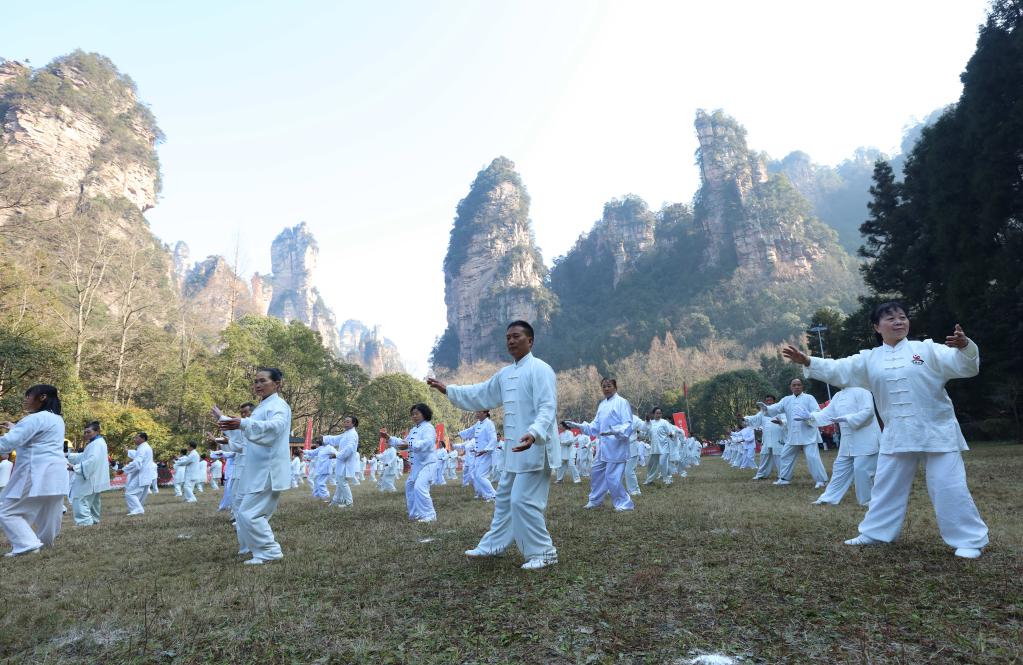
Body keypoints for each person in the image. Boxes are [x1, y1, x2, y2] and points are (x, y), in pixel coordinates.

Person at [784, 302, 988, 558]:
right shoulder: (870, 359)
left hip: (937, 430)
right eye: (890, 318)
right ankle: (876, 532)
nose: (898, 322)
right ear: (877, 327)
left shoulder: (926, 349)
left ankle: (969, 540)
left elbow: (965, 366)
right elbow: (839, 369)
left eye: (902, 317)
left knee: (948, 485)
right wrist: (808, 361)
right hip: (896, 432)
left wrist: (965, 346)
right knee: (885, 486)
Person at [428, 320, 561, 570]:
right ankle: (493, 545)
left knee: (523, 502)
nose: (511, 341)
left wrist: (534, 433)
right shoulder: (505, 374)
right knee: (504, 500)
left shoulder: (541, 369)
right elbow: (481, 393)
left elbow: (547, 407)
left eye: (516, 336)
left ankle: (544, 553)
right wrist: (449, 390)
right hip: (513, 451)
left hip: (534, 448)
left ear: (530, 340)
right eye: (508, 337)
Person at [216, 367, 293, 565]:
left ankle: (270, 551)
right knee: (246, 512)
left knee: (250, 513)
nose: (258, 385)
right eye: (256, 381)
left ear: (277, 384)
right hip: (258, 469)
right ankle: (254, 548)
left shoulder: (278, 406)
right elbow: (246, 436)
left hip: (268, 469)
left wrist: (243, 423)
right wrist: (225, 420)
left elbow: (275, 427)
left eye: (263, 381)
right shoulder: (263, 407)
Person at [0, 385, 70, 557]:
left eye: (28, 396)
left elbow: (8, 443)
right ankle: (45, 545)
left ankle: (28, 545)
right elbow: (38, 437)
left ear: (42, 397)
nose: (26, 400)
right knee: (49, 514)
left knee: (8, 512)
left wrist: (16, 429)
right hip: (57, 472)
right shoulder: (57, 419)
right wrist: (16, 427)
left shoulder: (34, 418)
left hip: (37, 471)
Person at [567, 378, 635, 512]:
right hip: (603, 446)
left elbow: (628, 424)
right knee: (596, 473)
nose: (606, 389)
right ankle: (595, 500)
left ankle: (624, 504)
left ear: (615, 387)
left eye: (609, 386)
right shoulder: (602, 404)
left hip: (616, 446)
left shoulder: (622, 402)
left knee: (613, 477)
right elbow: (595, 425)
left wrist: (616, 431)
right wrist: (580, 426)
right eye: (604, 386)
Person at [758, 379, 829, 488]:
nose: (796, 387)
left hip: (808, 434)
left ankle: (821, 480)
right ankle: (784, 478)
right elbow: (776, 408)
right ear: (790, 387)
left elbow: (817, 411)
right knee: (785, 455)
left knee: (812, 457)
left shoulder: (809, 398)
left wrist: (809, 416)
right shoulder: (786, 399)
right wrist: (766, 408)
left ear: (802, 386)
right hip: (793, 435)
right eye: (794, 385)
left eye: (799, 385)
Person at [385, 404, 438, 523]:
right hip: (417, 465)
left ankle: (430, 515)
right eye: (412, 414)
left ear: (424, 414)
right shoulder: (414, 430)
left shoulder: (428, 428)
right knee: (410, 487)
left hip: (428, 463)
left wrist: (409, 444)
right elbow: (404, 443)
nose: (414, 416)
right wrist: (390, 439)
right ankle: (415, 514)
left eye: (417, 413)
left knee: (420, 487)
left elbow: (427, 443)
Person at [67, 421, 110, 526]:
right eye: (85, 432)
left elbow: (92, 461)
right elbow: (84, 456)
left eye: (88, 432)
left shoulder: (96, 444)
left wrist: (75, 467)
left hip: (90, 478)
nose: (86, 434)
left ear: (97, 431)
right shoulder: (97, 442)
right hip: (95, 478)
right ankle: (94, 521)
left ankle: (84, 522)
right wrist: (68, 456)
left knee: (80, 499)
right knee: (93, 501)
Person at [459, 411, 497, 501]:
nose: (477, 413)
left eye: (479, 412)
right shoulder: (478, 423)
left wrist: (486, 449)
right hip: (478, 454)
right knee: (475, 475)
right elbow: (471, 430)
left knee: (480, 475)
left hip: (486, 454)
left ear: (485, 413)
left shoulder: (489, 424)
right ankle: (481, 493)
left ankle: (493, 495)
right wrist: (460, 434)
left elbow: (493, 438)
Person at [325, 416, 360, 508]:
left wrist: (337, 455)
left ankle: (349, 503)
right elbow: (336, 439)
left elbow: (349, 449)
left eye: (348, 422)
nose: (345, 423)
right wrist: (324, 438)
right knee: (340, 482)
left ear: (353, 424)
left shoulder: (352, 434)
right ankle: (336, 500)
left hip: (346, 462)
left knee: (342, 483)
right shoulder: (346, 433)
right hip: (343, 461)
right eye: (344, 421)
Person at [123, 432, 156, 515]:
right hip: (146, 474)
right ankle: (138, 509)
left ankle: (137, 509)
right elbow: (137, 455)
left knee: (129, 493)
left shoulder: (143, 448)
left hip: (141, 474)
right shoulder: (145, 447)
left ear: (143, 439)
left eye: (136, 438)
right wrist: (128, 451)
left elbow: (137, 462)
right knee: (140, 494)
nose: (134, 439)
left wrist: (124, 469)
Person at [644, 408, 675, 486]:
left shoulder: (664, 422)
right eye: (657, 413)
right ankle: (649, 480)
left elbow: (671, 431)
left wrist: (671, 434)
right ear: (653, 414)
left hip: (664, 447)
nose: (658, 415)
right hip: (654, 448)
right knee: (651, 465)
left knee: (662, 463)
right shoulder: (650, 423)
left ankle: (667, 479)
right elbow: (645, 433)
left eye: (660, 413)